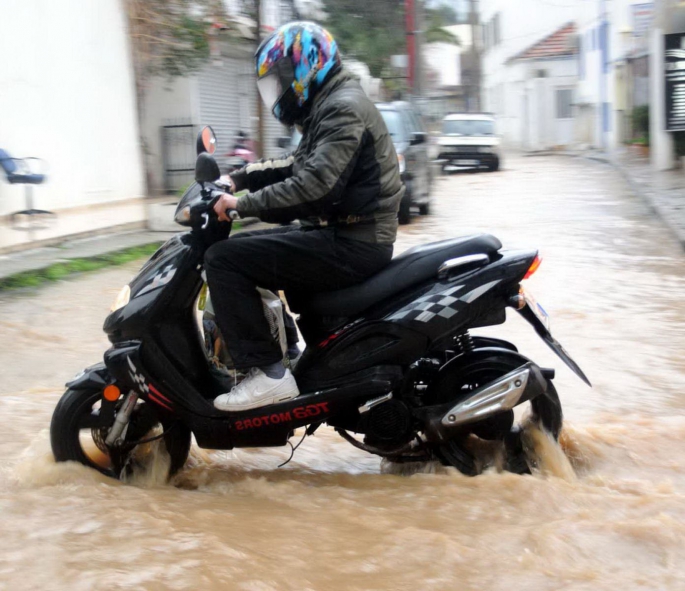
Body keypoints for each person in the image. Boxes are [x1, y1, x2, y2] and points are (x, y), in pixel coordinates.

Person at [205, 21, 404, 412]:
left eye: (279, 81)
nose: (277, 93)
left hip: (354, 242)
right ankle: (287, 352)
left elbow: (315, 186)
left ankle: (267, 374)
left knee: (224, 260)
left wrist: (241, 205)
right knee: (244, 248)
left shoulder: (342, 108)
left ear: (305, 69)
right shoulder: (331, 104)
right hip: (346, 234)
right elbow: (296, 164)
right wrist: (239, 178)